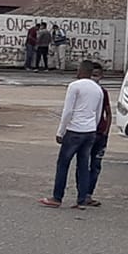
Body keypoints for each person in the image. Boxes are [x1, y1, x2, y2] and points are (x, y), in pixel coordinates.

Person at [39, 60, 106, 209]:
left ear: (81, 71)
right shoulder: (98, 89)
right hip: (89, 131)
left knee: (63, 163)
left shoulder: (74, 86)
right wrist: (92, 129)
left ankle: (57, 197)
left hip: (75, 130)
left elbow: (68, 111)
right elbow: (99, 113)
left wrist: (61, 131)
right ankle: (82, 199)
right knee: (83, 166)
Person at [82, 65, 115, 207]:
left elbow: (108, 113)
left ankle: (88, 194)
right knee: (83, 164)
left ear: (101, 76)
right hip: (87, 132)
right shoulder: (83, 91)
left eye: (97, 75)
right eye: (92, 74)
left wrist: (106, 132)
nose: (94, 77)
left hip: (100, 134)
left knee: (95, 165)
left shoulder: (103, 92)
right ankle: (82, 194)